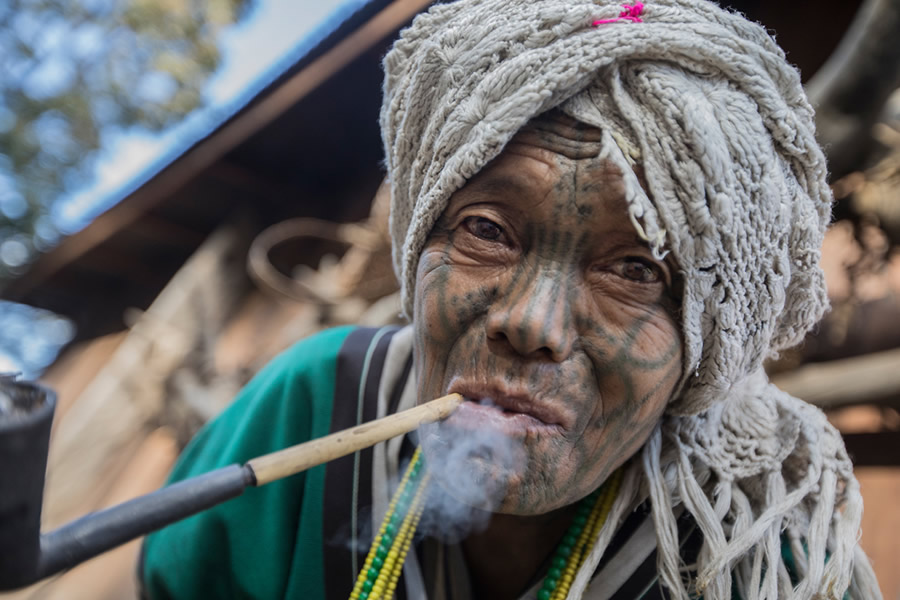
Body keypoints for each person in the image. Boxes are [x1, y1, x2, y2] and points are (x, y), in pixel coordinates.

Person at [140, 0, 882, 598]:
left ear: (704, 346)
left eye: (634, 270)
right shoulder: (312, 405)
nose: (530, 324)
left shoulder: (767, 566)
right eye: (486, 230)